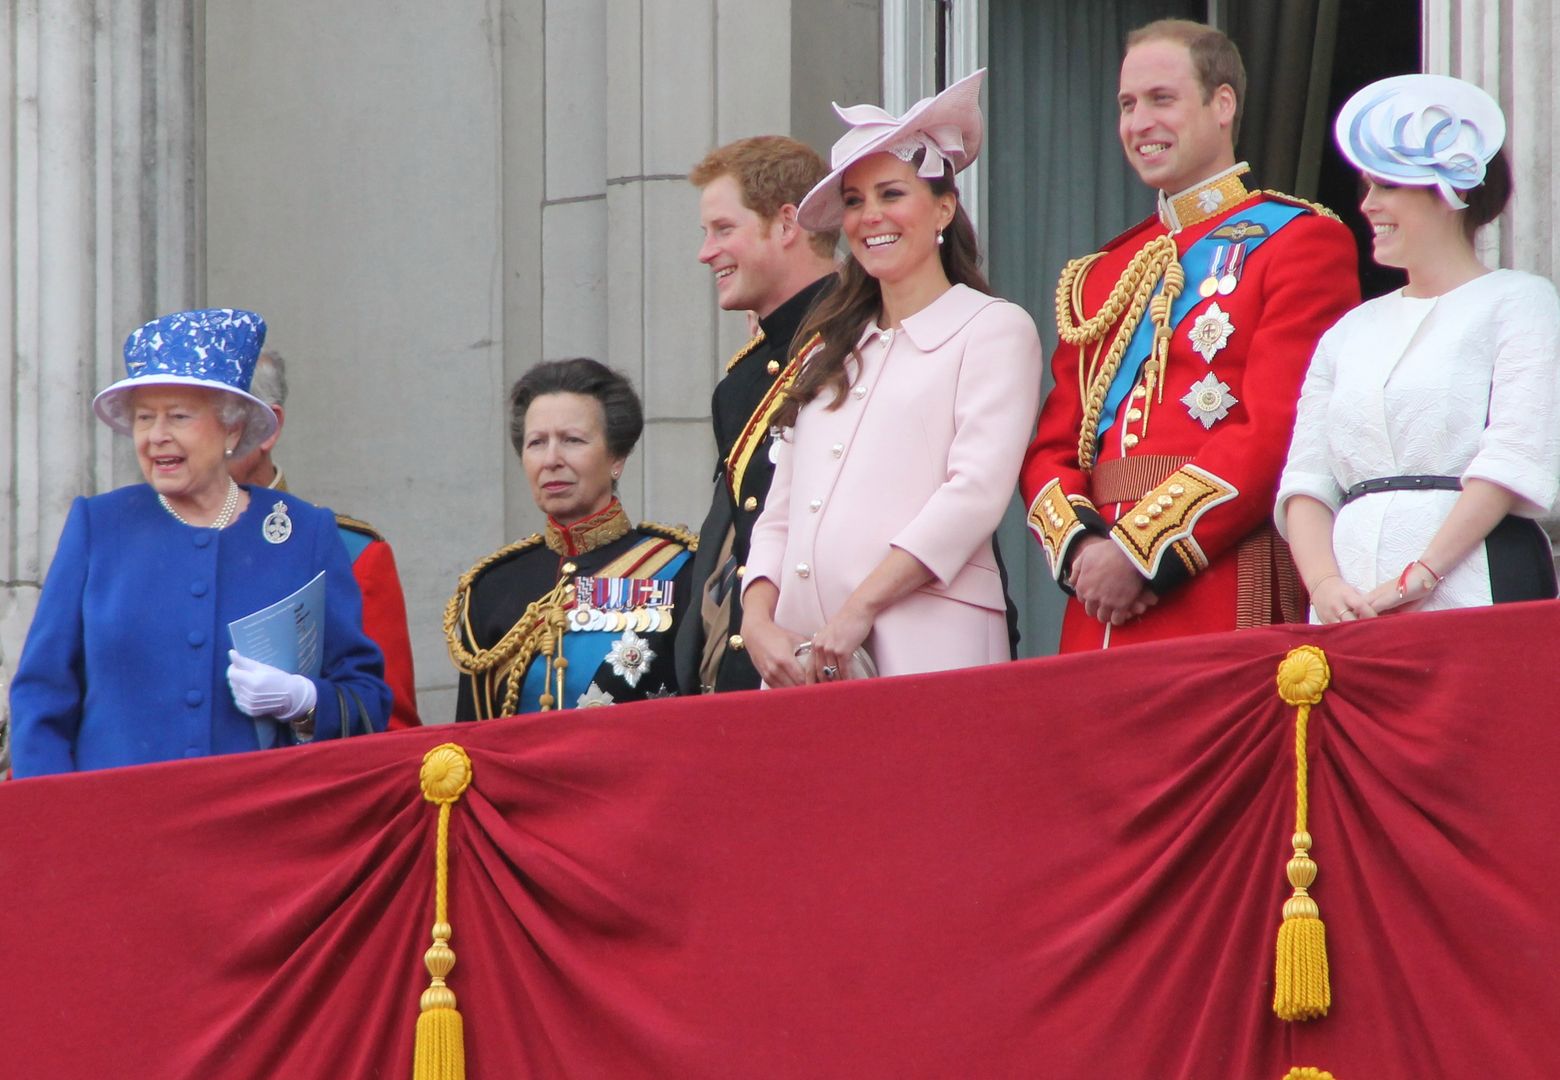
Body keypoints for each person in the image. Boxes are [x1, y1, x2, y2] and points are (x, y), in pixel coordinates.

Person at [1019, 19, 1360, 651]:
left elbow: (1276, 430)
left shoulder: (1298, 241)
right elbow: (1051, 449)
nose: (1139, 122)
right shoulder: (1102, 274)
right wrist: (1085, 549)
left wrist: (1144, 551)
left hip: (1217, 580)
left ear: (1222, 104)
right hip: (1096, 601)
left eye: (1161, 99)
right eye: (1127, 104)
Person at [739, 70, 1043, 686]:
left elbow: (973, 493)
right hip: (804, 658)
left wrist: (861, 608)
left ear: (944, 207)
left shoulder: (993, 328)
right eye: (854, 201)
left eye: (891, 194)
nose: (869, 216)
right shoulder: (827, 348)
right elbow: (780, 507)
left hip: (930, 644)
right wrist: (758, 620)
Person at [9, 309, 391, 777]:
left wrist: (307, 704)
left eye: (179, 416)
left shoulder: (304, 533)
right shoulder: (99, 526)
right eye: (145, 418)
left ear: (231, 429)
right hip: (118, 830)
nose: (156, 436)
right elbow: (42, 696)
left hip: (259, 831)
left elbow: (368, 700)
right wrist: (55, 825)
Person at [1276, 74, 1560, 620]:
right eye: (1368, 186)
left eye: (1387, 185)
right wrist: (1324, 586)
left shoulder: (1520, 301)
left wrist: (1422, 574)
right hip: (1349, 606)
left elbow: (1514, 457)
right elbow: (1307, 480)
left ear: (1450, 192)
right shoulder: (1347, 332)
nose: (1367, 205)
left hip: (1474, 584)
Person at [678, 136, 840, 695]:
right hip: (756, 671)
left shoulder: (865, 341)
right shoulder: (740, 383)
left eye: (724, 230)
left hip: (842, 661)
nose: (706, 252)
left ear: (787, 223)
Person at [446, 358, 695, 717]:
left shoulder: (682, 570)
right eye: (536, 443)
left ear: (617, 457)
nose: (551, 459)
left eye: (572, 440)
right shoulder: (491, 587)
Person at [228, 350, 423, 728]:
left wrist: (308, 707)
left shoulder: (354, 553)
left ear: (266, 429)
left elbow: (388, 730)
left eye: (220, 416)